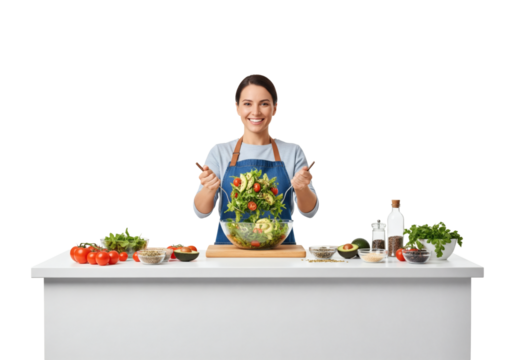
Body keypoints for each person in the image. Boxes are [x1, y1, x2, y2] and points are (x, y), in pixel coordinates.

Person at [191, 74, 320, 244]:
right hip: (230, 250)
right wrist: (209, 188)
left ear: (275, 108)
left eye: (264, 104)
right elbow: (201, 213)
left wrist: (302, 189)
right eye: (247, 104)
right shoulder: (219, 151)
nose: (256, 112)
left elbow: (310, 212)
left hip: (280, 250)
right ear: (236, 108)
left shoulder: (293, 151)